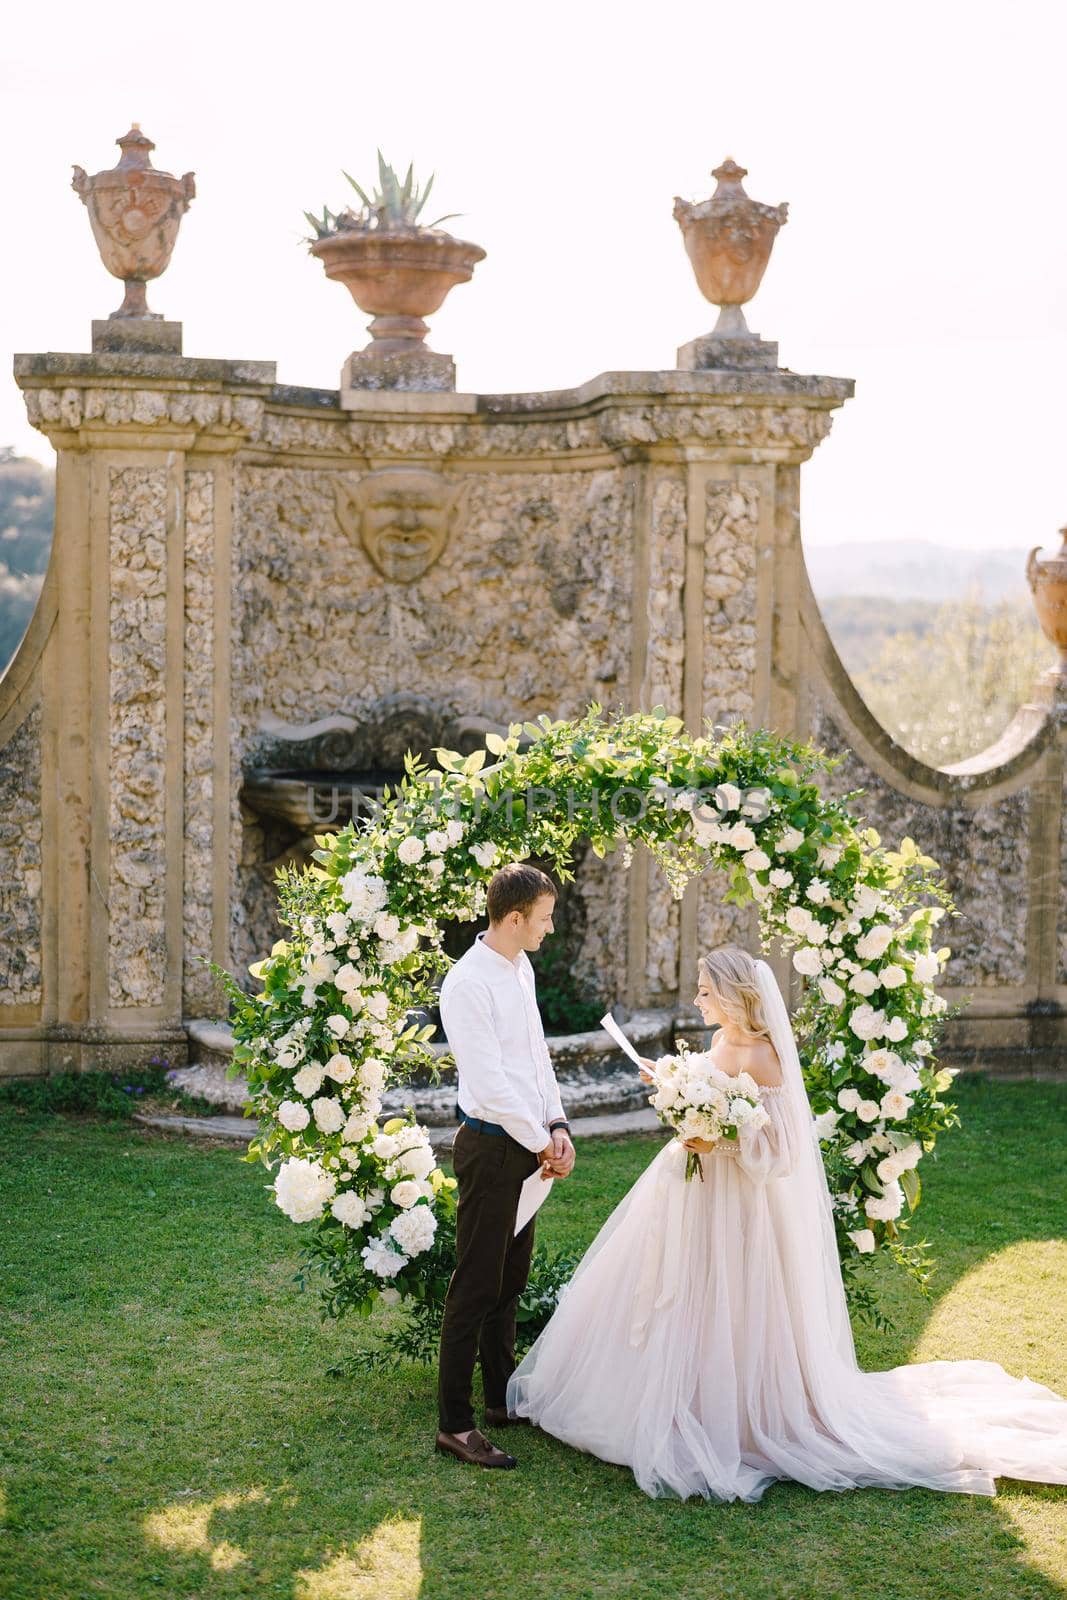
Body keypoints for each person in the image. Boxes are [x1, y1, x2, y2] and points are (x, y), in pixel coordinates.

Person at [507, 945, 1067, 1501]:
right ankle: (672, 1393)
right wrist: (676, 1081)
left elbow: (780, 1151)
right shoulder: (722, 1040)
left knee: (733, 1297)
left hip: (738, 1203)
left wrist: (717, 1139)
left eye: (705, 991)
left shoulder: (764, 1054)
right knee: (679, 1290)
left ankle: (740, 1414)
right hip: (691, 1192)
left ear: (729, 995)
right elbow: (714, 1092)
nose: (697, 999)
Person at [434, 862, 577, 1470]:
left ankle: (500, 1399)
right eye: (543, 919)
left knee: (511, 1277)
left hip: (528, 1143)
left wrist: (558, 1125)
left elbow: (536, 1060)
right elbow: (489, 1083)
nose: (549, 929)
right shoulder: (467, 984)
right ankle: (455, 1424)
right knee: (476, 1283)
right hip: (492, 1148)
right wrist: (536, 1141)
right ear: (513, 918)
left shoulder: (522, 967)